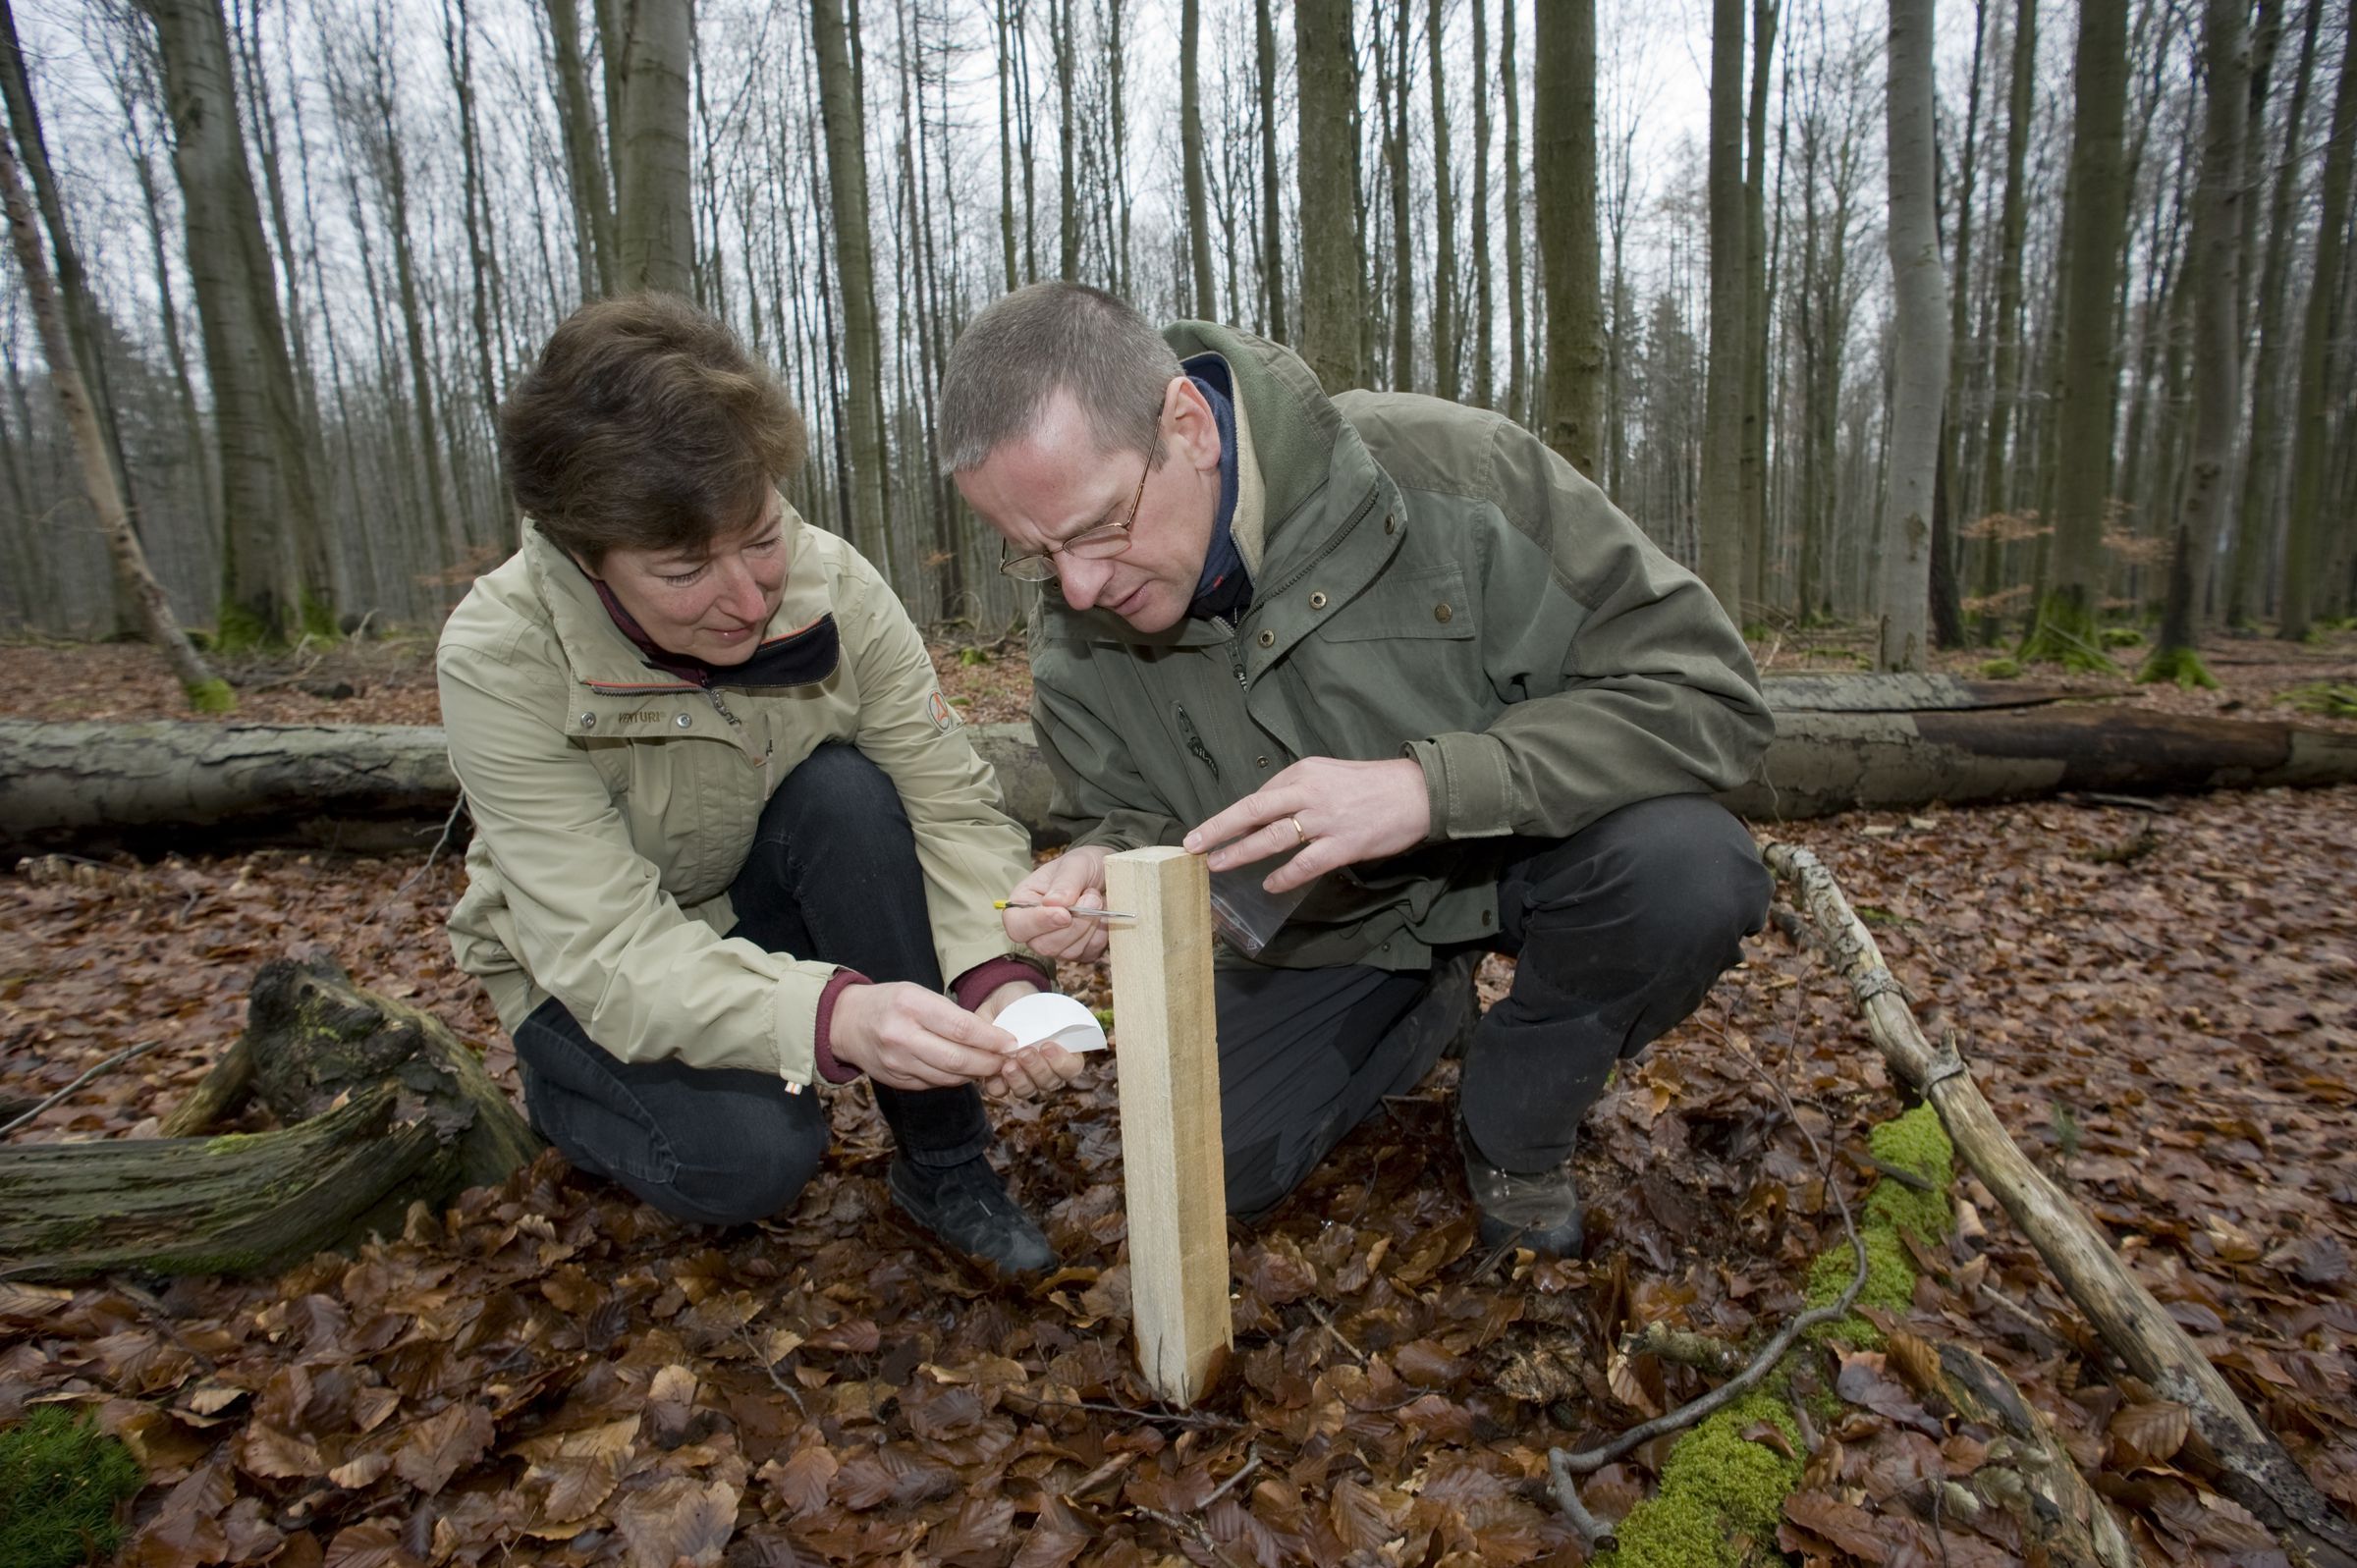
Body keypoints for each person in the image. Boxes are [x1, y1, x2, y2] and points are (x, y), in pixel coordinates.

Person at [940, 282, 1776, 1258]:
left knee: (1686, 869)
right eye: (1036, 556)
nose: (1079, 585)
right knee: (1221, 1170)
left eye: (1094, 528)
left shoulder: (1450, 477)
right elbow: (1128, 814)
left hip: (1526, 855)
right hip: (1316, 930)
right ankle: (1423, 1006)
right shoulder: (1077, 635)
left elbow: (1710, 696)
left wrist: (1428, 788)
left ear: (1188, 426)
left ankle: (1517, 1123)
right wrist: (1105, 869)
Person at [437, 294, 1075, 1271]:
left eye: (761, 537)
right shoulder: (501, 655)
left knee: (850, 795)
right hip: (583, 974)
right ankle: (572, 1092)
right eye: (684, 569)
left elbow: (946, 799)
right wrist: (833, 1018)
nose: (747, 598)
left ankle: (948, 1164)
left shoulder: (833, 584)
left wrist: (994, 976)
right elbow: (606, 946)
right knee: (751, 1165)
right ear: (587, 555)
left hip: (745, 899)